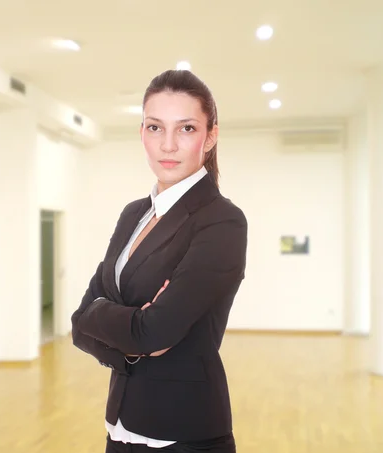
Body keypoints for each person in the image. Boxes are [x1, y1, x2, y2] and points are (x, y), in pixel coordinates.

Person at [71, 69, 248, 453]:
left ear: (210, 136)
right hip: (120, 427)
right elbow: (79, 324)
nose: (168, 145)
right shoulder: (132, 214)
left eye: (185, 129)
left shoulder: (222, 221)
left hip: (185, 433)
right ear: (142, 134)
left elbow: (155, 331)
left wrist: (115, 321)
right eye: (155, 128)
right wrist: (132, 339)